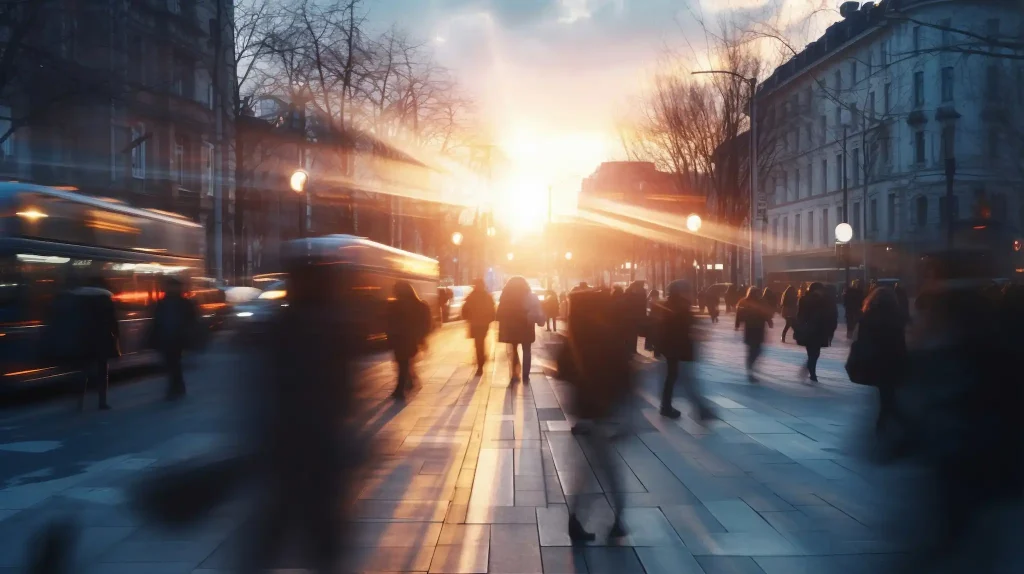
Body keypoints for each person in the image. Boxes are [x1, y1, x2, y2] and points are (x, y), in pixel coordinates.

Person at [559, 287, 631, 542]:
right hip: (603, 410)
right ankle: (614, 518)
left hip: (586, 409)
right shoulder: (606, 333)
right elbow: (623, 369)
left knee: (593, 469)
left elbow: (563, 369)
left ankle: (587, 519)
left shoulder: (575, 334)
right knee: (603, 470)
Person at [845, 287, 907, 432]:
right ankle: (888, 425)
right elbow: (901, 342)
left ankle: (884, 426)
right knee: (889, 396)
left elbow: (859, 340)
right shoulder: (897, 317)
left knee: (885, 396)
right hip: (891, 361)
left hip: (873, 361)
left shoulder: (867, 317)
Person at [655, 280, 713, 420]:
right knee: (686, 380)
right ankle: (700, 410)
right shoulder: (680, 306)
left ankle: (667, 406)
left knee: (674, 378)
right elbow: (683, 327)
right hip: (680, 349)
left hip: (671, 349)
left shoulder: (668, 304)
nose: (690, 294)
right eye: (688, 291)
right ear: (681, 292)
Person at [150, 277, 198, 400]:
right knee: (173, 363)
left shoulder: (171, 302)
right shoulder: (177, 302)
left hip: (175, 338)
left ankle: (175, 387)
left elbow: (191, 321)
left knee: (173, 363)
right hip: (169, 337)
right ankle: (177, 386)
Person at [386, 281, 432, 400]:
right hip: (408, 339)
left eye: (396, 290)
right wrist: (421, 337)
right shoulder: (419, 305)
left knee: (403, 363)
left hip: (403, 339)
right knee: (404, 363)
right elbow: (426, 323)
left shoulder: (397, 305)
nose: (394, 292)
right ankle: (410, 381)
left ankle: (400, 389)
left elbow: (390, 322)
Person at [497, 276, 544, 384]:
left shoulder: (506, 296)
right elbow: (536, 309)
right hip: (527, 327)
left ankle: (514, 373)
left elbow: (500, 313)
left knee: (513, 350)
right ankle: (526, 376)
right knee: (527, 351)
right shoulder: (529, 296)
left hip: (512, 328)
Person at [735, 287, 773, 383]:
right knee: (752, 350)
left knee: (758, 350)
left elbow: (766, 313)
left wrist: (769, 321)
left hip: (759, 329)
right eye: (756, 293)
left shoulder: (761, 302)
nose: (758, 295)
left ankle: (751, 367)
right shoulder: (744, 302)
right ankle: (750, 370)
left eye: (758, 293)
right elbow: (739, 314)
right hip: (750, 329)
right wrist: (737, 324)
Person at [795, 282, 829, 383]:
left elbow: (800, 315)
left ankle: (811, 370)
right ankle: (812, 373)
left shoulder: (805, 299)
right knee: (814, 353)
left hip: (812, 329)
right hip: (814, 329)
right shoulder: (820, 300)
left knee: (813, 353)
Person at [461, 279, 495, 376]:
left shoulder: (471, 296)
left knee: (478, 343)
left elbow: (465, 310)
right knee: (481, 341)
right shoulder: (487, 296)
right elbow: (492, 310)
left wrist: (468, 318)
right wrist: (490, 319)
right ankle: (481, 360)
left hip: (475, 323)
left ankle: (480, 365)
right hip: (484, 324)